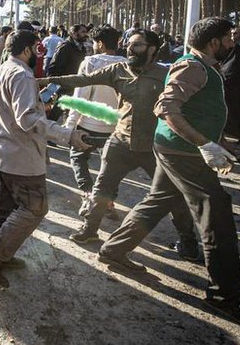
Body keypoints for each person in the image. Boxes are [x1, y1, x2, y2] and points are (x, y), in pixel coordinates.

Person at [98, 17, 240, 327]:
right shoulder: (193, 67)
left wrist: (219, 142)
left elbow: (200, 110)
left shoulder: (204, 67)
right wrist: (204, 144)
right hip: (183, 152)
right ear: (214, 42)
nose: (233, 43)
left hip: (179, 149)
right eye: (228, 38)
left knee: (158, 200)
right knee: (216, 211)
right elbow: (167, 107)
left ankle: (113, 250)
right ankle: (224, 295)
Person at [38, 30, 199, 254]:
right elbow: (83, 80)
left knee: (171, 193)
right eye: (129, 44)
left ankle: (188, 241)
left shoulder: (166, 74)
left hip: (153, 146)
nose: (130, 49)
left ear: (152, 49)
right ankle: (89, 229)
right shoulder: (118, 69)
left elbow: (187, 102)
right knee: (102, 187)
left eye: (137, 45)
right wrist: (46, 80)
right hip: (120, 141)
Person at [0, 30, 90, 288]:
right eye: (36, 49)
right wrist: (66, 134)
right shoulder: (23, 75)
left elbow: (11, 110)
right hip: (20, 156)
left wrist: (40, 105)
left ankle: (2, 254)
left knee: (6, 206)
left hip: (2, 152)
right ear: (26, 50)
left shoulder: (2, 70)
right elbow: (26, 120)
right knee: (34, 208)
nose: (38, 55)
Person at [62, 26, 125, 205]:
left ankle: (88, 193)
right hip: (115, 127)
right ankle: (108, 200)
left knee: (78, 158)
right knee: (112, 166)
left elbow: (80, 96)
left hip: (88, 126)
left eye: (94, 42)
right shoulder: (126, 64)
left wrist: (69, 126)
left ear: (100, 43)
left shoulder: (90, 63)